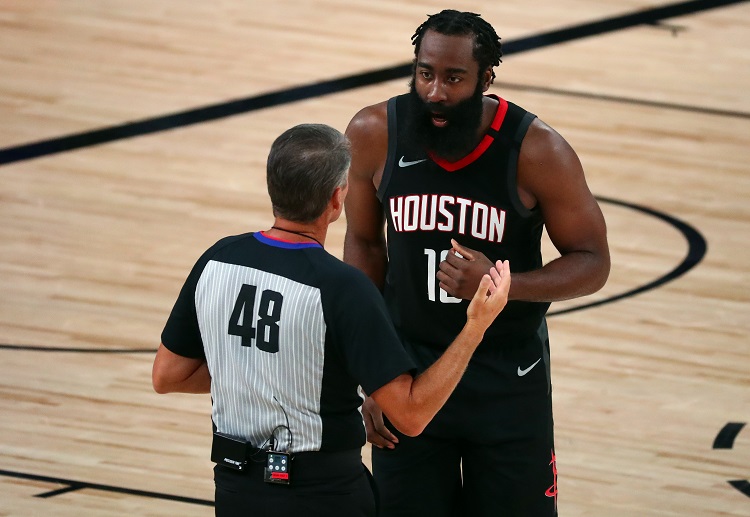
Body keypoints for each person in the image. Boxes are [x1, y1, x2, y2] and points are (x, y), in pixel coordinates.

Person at [151, 123, 513, 517]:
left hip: (236, 491)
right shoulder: (343, 288)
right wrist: (475, 326)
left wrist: (264, 372)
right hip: (323, 495)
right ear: (336, 199)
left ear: (274, 186)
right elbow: (410, 415)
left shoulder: (217, 259)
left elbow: (168, 375)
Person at [343, 9, 611, 517]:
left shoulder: (536, 149)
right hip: (409, 373)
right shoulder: (374, 131)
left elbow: (592, 261)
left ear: (486, 78)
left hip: (506, 377)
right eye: (425, 73)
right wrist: (370, 373)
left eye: (453, 78)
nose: (435, 92)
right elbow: (363, 244)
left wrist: (502, 285)